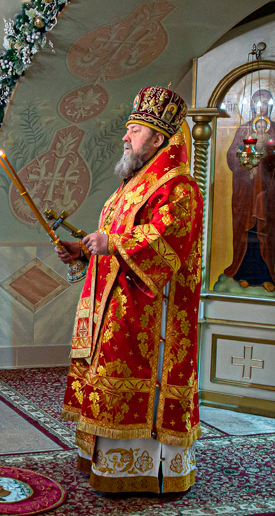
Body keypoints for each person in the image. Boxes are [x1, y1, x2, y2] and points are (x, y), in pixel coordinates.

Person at [54, 86, 203, 494]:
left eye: (134, 130)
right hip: (114, 309)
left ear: (158, 139)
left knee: (132, 379)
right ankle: (107, 462)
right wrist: (85, 251)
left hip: (150, 317)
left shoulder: (179, 187)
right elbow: (113, 238)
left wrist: (113, 244)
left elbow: (165, 242)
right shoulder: (132, 183)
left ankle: (145, 470)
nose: (125, 137)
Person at [222, 89, 275, 293]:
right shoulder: (244, 129)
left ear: (271, 106)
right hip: (245, 190)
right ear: (251, 106)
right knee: (245, 230)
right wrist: (246, 154)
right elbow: (231, 156)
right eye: (257, 103)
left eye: (265, 103)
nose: (261, 107)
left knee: (264, 230)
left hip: (267, 191)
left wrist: (270, 152)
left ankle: (266, 275)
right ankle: (243, 274)